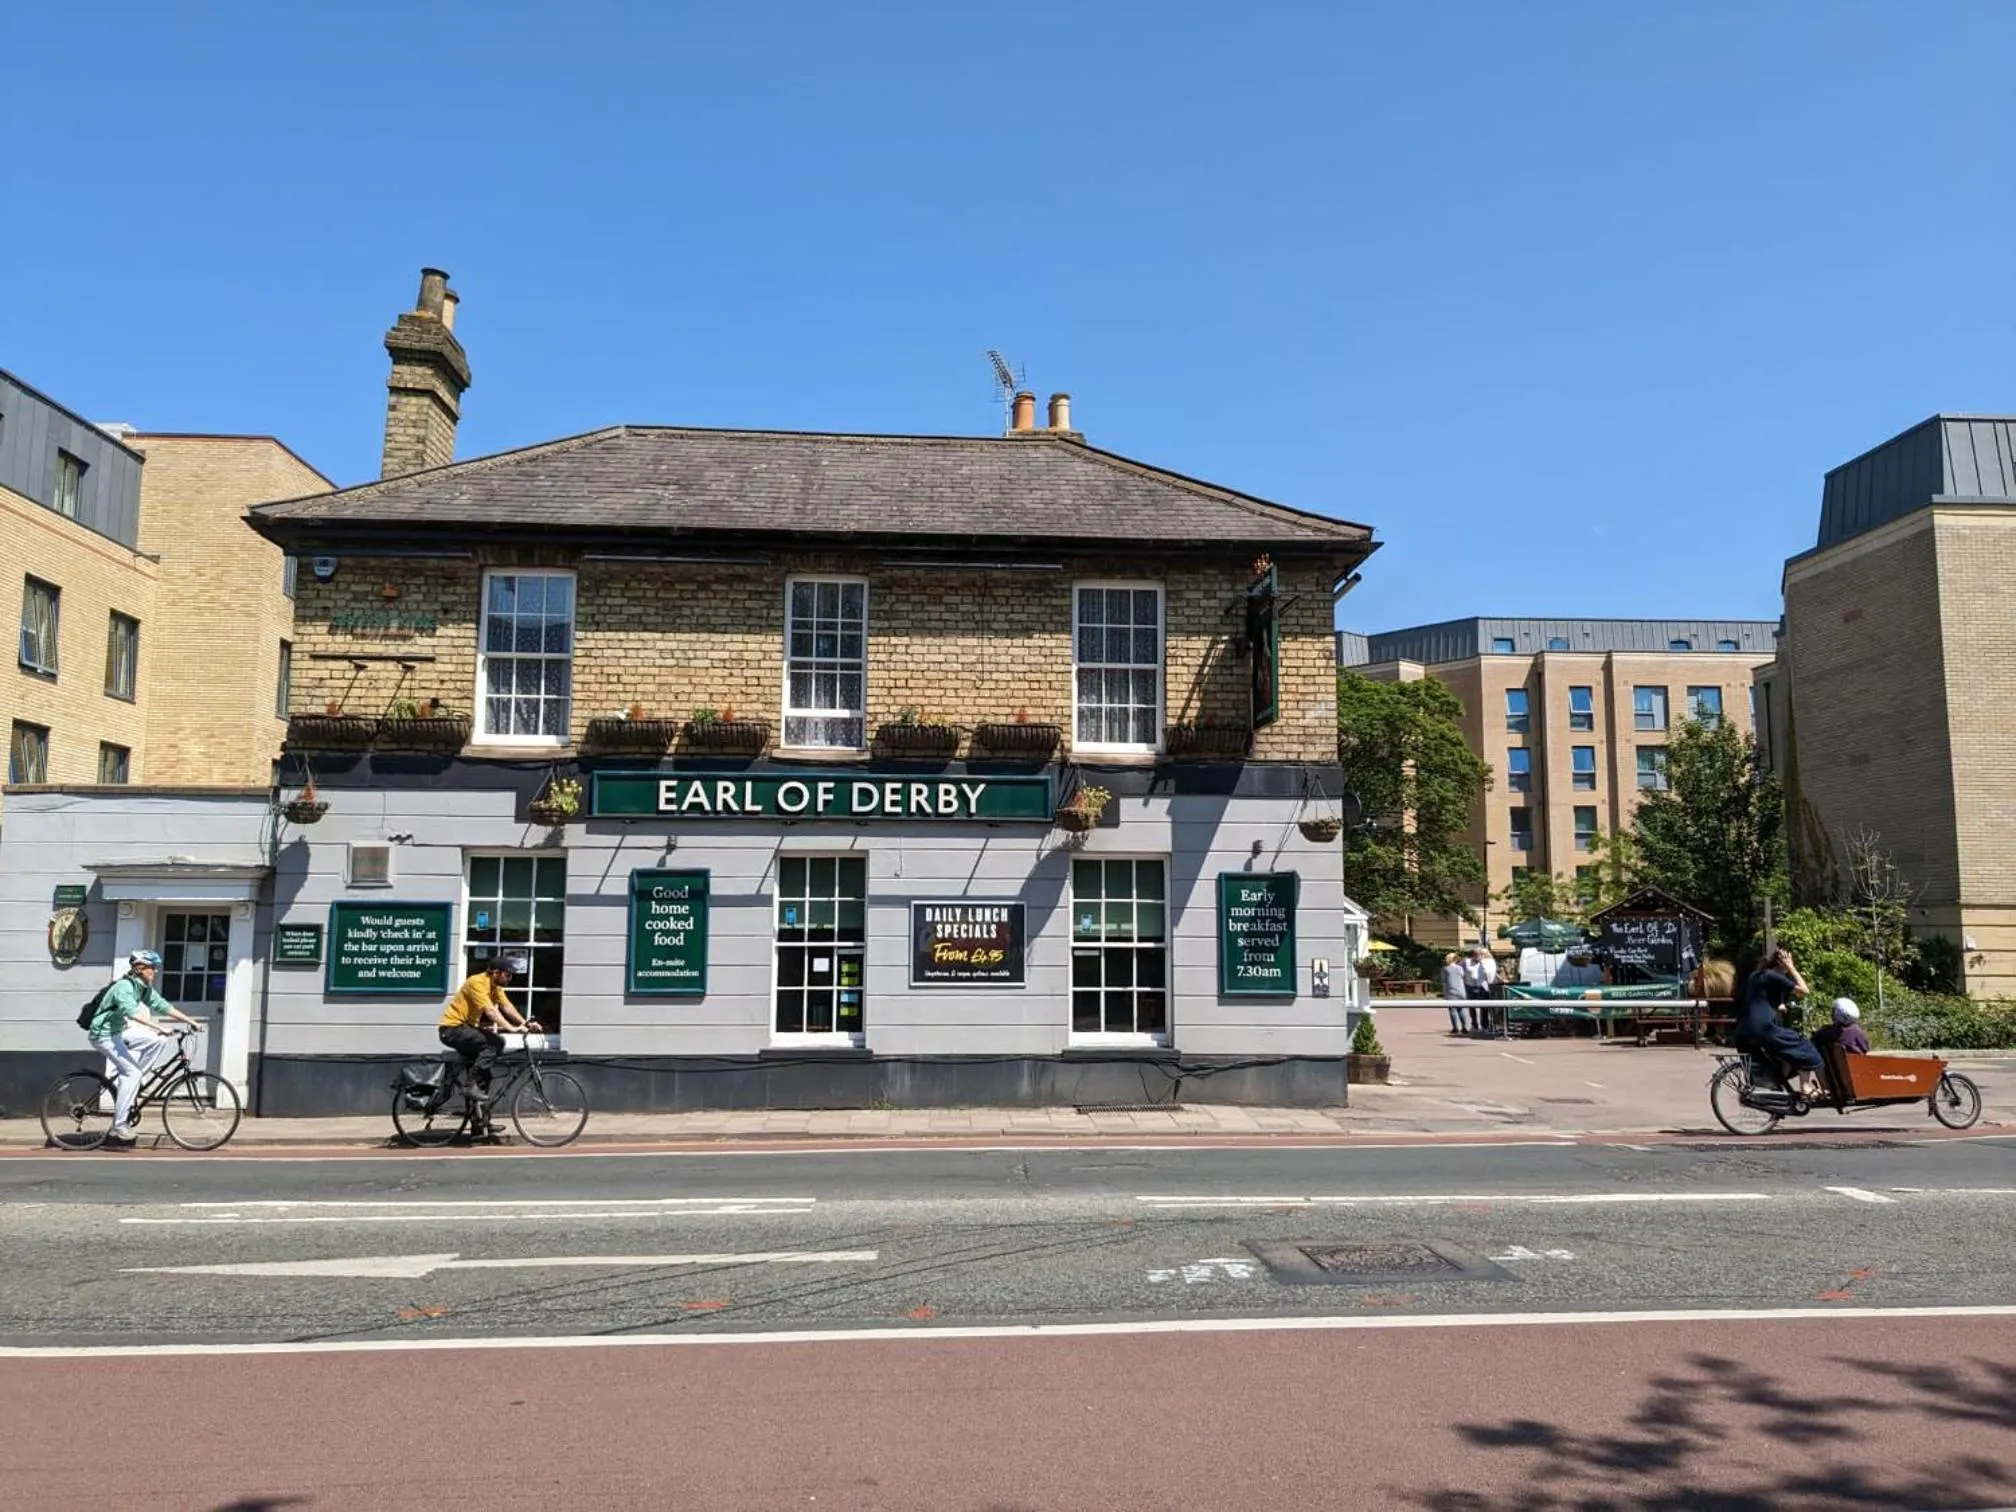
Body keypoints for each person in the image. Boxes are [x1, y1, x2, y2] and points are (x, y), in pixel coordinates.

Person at [85, 949, 203, 1144]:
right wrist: (159, 1026)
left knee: (157, 1041)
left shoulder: (142, 987)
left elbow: (163, 1006)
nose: (155, 972)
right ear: (140, 968)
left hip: (118, 1031)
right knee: (132, 1073)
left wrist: (191, 1021)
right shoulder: (124, 987)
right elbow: (131, 1013)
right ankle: (119, 1126)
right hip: (103, 1035)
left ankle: (135, 1082)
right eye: (152, 968)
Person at [438, 954, 540, 1112]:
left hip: (466, 1029)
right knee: (496, 1042)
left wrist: (525, 1023)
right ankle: (470, 1084)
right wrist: (511, 1028)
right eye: (508, 974)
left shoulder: (495, 987)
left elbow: (507, 1007)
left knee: (485, 1077)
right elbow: (490, 1011)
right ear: (496, 972)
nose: (510, 978)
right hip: (452, 1029)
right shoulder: (477, 982)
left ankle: (480, 1123)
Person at [1734, 947, 1822, 1096]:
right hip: (1764, 1029)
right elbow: (1804, 991)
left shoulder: (1756, 976)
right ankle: (1806, 1087)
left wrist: (1778, 1005)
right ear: (1783, 964)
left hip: (1744, 1031)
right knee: (1805, 1048)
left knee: (1771, 1061)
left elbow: (1760, 999)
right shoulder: (1774, 976)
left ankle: (1773, 1095)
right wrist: (1792, 968)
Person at [1440, 953, 1468, 1034]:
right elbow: (1463, 976)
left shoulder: (1445, 969)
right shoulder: (1460, 968)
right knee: (1461, 1009)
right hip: (1461, 990)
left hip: (1451, 991)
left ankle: (1455, 1027)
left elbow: (1443, 980)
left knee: (1453, 1010)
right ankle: (1464, 1027)